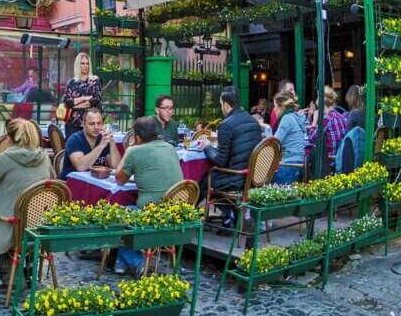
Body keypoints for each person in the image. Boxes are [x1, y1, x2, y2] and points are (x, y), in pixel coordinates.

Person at [0, 119, 54, 288]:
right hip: (39, 225)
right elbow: (51, 183)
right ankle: (28, 263)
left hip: (11, 225)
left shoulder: (5, 159)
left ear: (9, 138)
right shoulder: (44, 157)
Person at [114, 116, 184, 274]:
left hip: (151, 213)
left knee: (118, 216)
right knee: (129, 212)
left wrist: (128, 150)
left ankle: (136, 262)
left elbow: (119, 179)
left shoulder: (135, 151)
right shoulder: (169, 147)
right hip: (176, 211)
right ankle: (121, 264)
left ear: (137, 137)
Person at [198, 87, 262, 232]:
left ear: (226, 104)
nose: (221, 108)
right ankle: (231, 216)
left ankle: (193, 220)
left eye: (221, 104)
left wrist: (207, 147)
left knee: (202, 181)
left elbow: (220, 161)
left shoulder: (226, 124)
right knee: (209, 178)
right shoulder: (253, 122)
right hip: (251, 179)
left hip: (235, 178)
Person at [60, 107, 120, 180]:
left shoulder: (103, 139)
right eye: (91, 124)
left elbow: (116, 166)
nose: (96, 127)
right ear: (83, 124)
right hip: (72, 183)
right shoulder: (75, 139)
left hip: (95, 183)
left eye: (99, 123)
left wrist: (112, 142)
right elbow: (80, 167)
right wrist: (101, 146)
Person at [58, 52, 102, 138]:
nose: (85, 66)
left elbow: (95, 100)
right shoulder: (71, 82)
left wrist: (74, 105)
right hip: (72, 124)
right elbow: (67, 102)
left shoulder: (94, 81)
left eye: (87, 63)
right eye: (82, 63)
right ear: (78, 65)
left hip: (89, 124)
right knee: (73, 150)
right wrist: (84, 98)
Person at [308, 86, 350, 168]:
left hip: (329, 164)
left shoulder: (326, 119)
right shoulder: (341, 117)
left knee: (308, 156)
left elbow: (311, 138)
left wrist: (314, 122)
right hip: (340, 160)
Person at [271, 91, 307, 185]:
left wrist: (267, 130)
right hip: (298, 164)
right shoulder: (295, 116)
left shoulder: (287, 118)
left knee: (261, 181)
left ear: (282, 107)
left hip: (288, 165)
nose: (274, 109)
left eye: (275, 106)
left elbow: (274, 143)